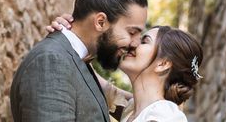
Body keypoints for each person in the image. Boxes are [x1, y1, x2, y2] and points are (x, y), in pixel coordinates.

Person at [10, 0, 148, 122]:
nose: (136, 43)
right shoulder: (51, 61)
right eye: (131, 32)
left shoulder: (77, 61)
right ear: (100, 22)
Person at [48, 21, 204, 122]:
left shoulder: (165, 116)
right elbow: (96, 82)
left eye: (144, 41)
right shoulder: (131, 110)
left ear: (162, 64)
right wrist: (68, 35)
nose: (133, 43)